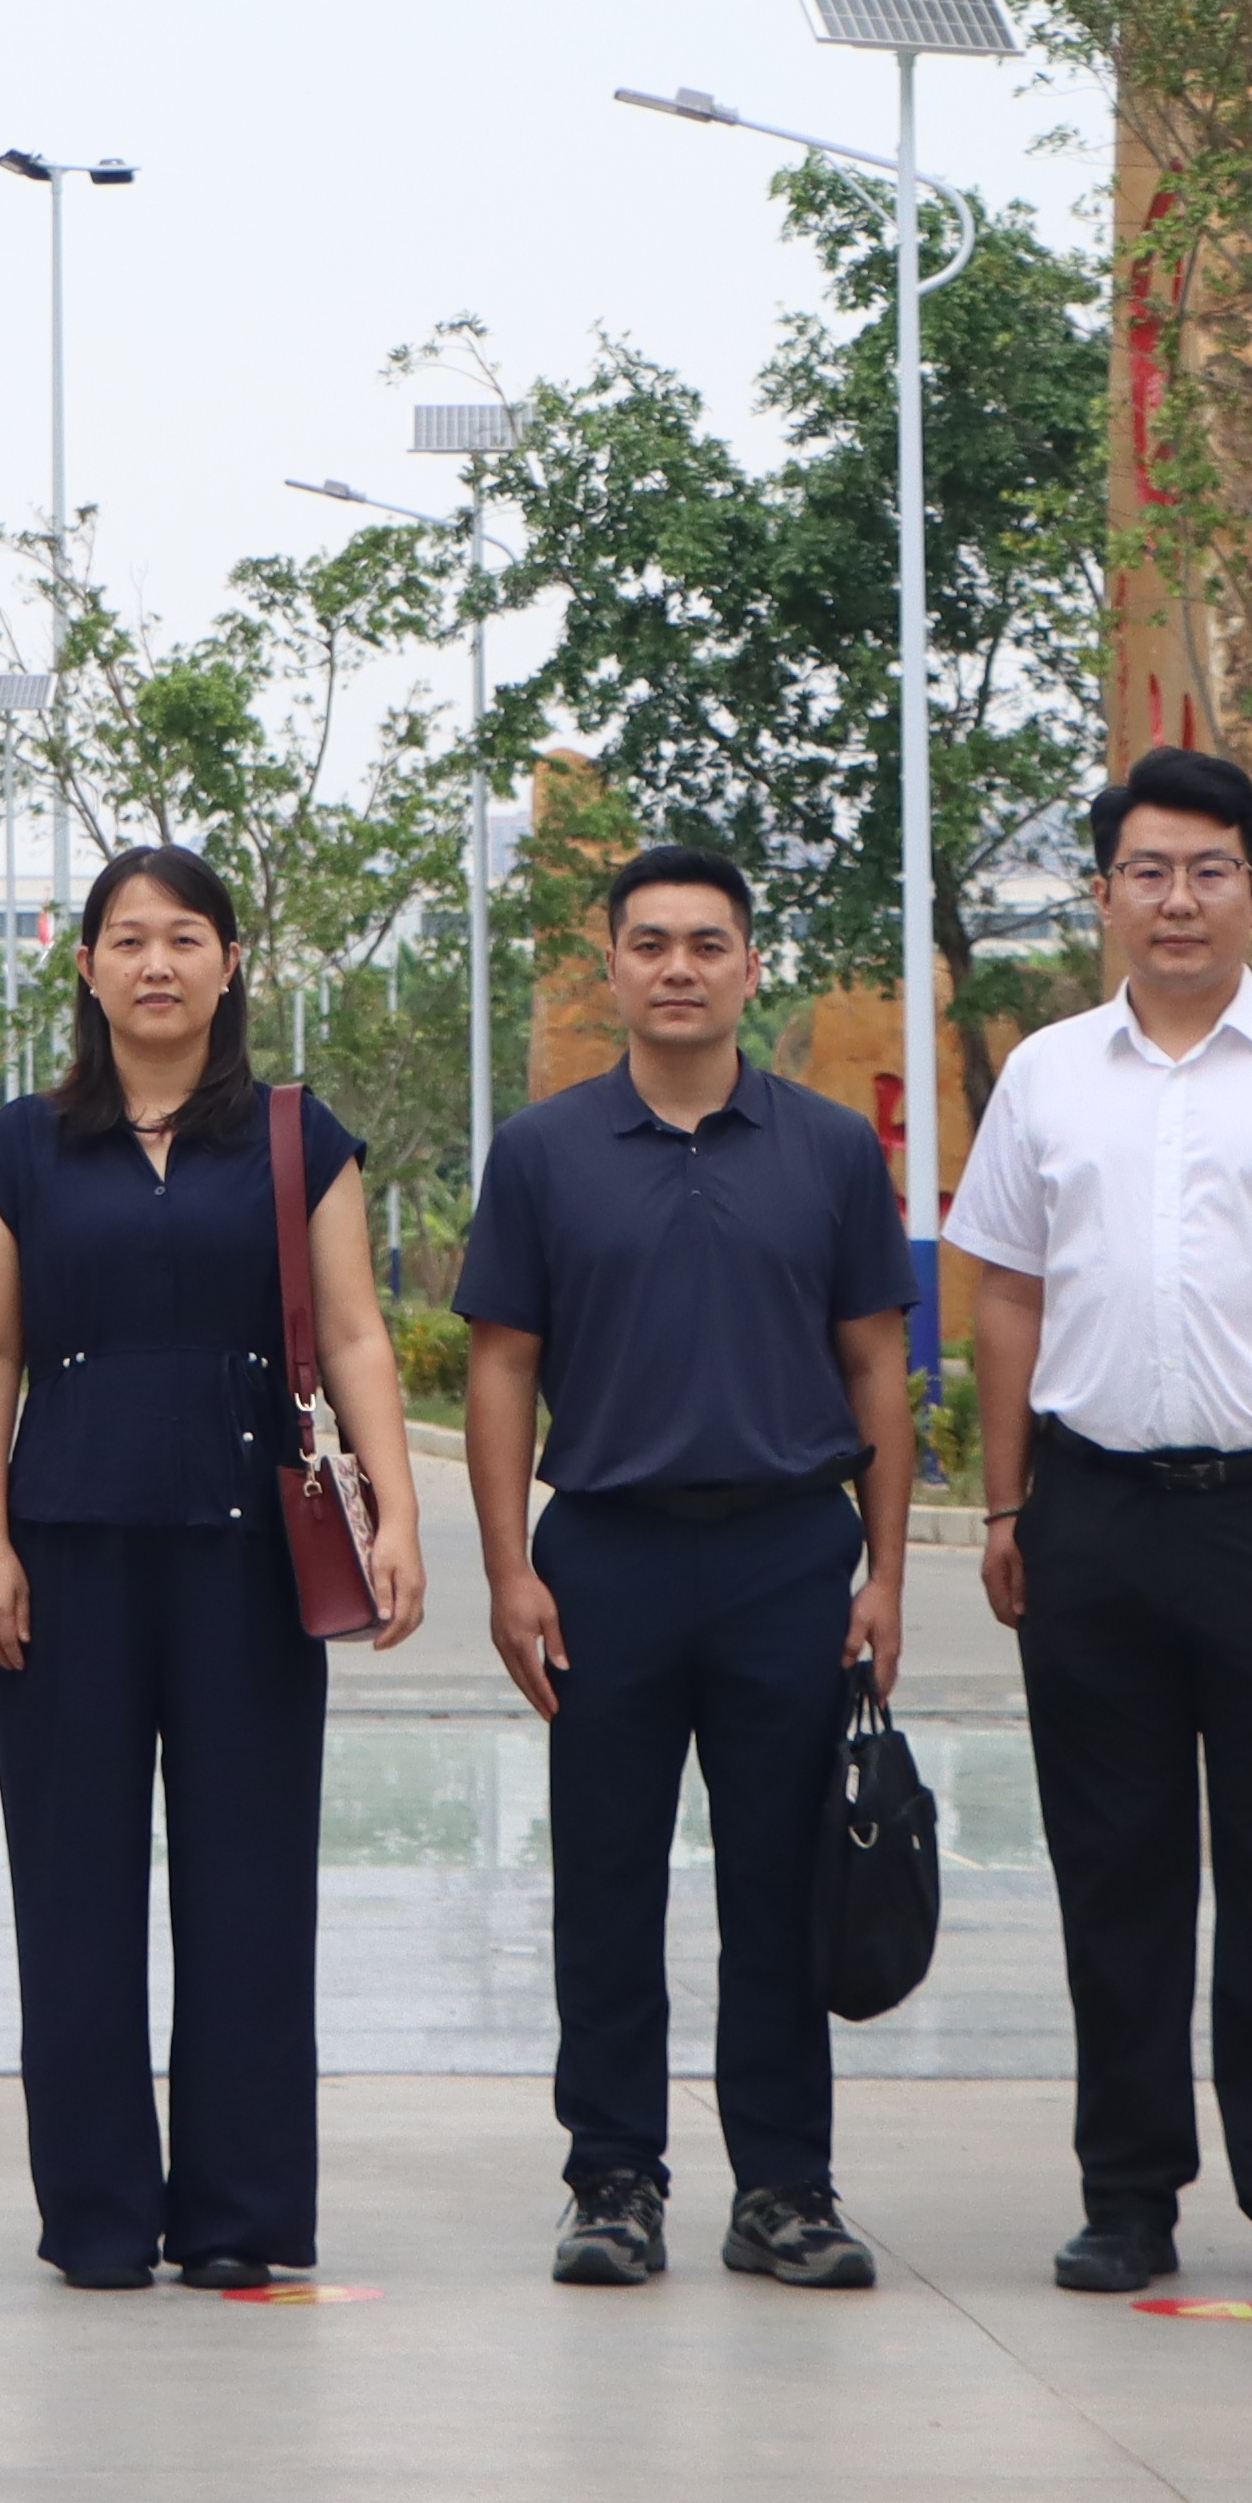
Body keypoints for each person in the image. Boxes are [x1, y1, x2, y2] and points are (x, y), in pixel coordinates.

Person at [947, 746, 1252, 2306]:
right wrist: (1007, 1501)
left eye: (1209, 870)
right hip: (1092, 1514)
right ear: (1104, 894)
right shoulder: (1045, 1077)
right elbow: (1007, 1296)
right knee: (1115, 1871)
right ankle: (1127, 2195)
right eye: (1149, 872)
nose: (1179, 900)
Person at [0, 841, 427, 2291]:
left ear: (231, 965)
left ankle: (239, 2216)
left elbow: (353, 1332)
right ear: (86, 967)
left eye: (184, 938)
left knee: (250, 1890)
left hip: (250, 1563)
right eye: (127, 938)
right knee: (74, 1896)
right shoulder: (23, 1146)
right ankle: (97, 2219)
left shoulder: (296, 1136)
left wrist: (398, 1512)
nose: (155, 963)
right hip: (69, 1558)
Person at [454, 844, 915, 2295]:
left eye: (707, 944)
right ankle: (613, 2180)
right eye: (650, 943)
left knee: (781, 1884)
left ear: (750, 968)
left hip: (789, 1555)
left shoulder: (828, 1150)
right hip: (608, 1558)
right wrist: (509, 1570)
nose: (678, 968)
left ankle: (784, 2188)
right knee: (606, 1884)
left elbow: (878, 1366)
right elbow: (500, 1367)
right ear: (612, 968)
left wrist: (886, 1574)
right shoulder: (543, 1152)